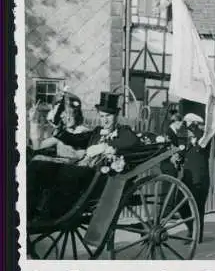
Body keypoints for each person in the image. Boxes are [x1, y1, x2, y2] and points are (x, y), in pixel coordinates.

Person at [27, 92, 140, 221]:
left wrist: (105, 146)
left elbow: (133, 141)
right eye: (102, 116)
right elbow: (76, 139)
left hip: (97, 178)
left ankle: (51, 213)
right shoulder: (97, 132)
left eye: (108, 116)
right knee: (38, 165)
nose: (105, 120)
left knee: (64, 171)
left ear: (116, 115)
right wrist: (59, 130)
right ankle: (29, 212)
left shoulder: (124, 131)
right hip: (83, 172)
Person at [177, 113, 211, 244]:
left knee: (197, 207)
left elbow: (200, 144)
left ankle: (197, 235)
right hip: (188, 176)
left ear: (195, 124)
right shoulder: (187, 136)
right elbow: (182, 148)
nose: (186, 126)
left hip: (200, 177)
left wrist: (194, 131)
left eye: (188, 123)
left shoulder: (204, 135)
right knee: (181, 204)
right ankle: (192, 229)